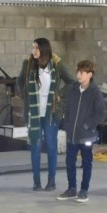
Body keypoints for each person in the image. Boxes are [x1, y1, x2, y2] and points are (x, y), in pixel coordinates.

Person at [16, 38, 75, 191]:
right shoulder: (28, 64)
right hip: (34, 112)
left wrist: (59, 96)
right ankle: (36, 181)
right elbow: (19, 82)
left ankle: (52, 181)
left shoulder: (57, 64)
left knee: (51, 146)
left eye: (36, 48)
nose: (33, 50)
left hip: (51, 112)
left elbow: (72, 83)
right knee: (35, 146)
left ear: (43, 49)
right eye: (32, 47)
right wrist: (25, 95)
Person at [56, 60, 105, 203]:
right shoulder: (72, 89)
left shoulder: (95, 92)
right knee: (69, 161)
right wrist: (67, 124)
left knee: (87, 162)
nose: (78, 74)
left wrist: (86, 126)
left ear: (89, 74)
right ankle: (72, 189)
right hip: (72, 134)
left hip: (86, 136)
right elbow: (67, 108)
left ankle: (84, 190)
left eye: (82, 72)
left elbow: (100, 114)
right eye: (78, 71)